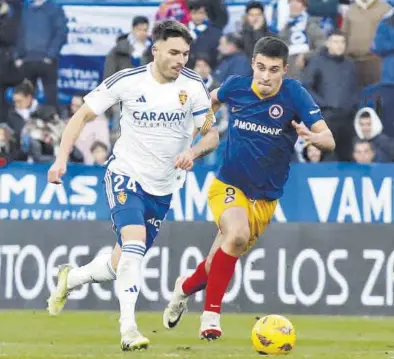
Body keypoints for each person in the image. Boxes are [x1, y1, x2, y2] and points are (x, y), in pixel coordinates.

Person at [46, 20, 219, 351]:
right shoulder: (127, 81)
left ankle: (73, 277)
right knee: (134, 246)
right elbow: (81, 116)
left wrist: (193, 150)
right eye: (173, 52)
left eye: (185, 53)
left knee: (120, 261)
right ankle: (128, 328)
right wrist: (61, 159)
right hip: (126, 174)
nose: (180, 59)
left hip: (163, 186)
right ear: (155, 51)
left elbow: (210, 133)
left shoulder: (194, 86)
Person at [163, 36, 335, 340]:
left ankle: (184, 287)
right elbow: (210, 100)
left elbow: (329, 140)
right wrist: (204, 127)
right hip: (228, 184)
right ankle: (211, 317)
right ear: (252, 64)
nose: (266, 77)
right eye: (260, 68)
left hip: (265, 198)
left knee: (220, 257)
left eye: (273, 70)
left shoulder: (296, 95)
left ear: (285, 70)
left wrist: (312, 136)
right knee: (237, 234)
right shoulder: (236, 86)